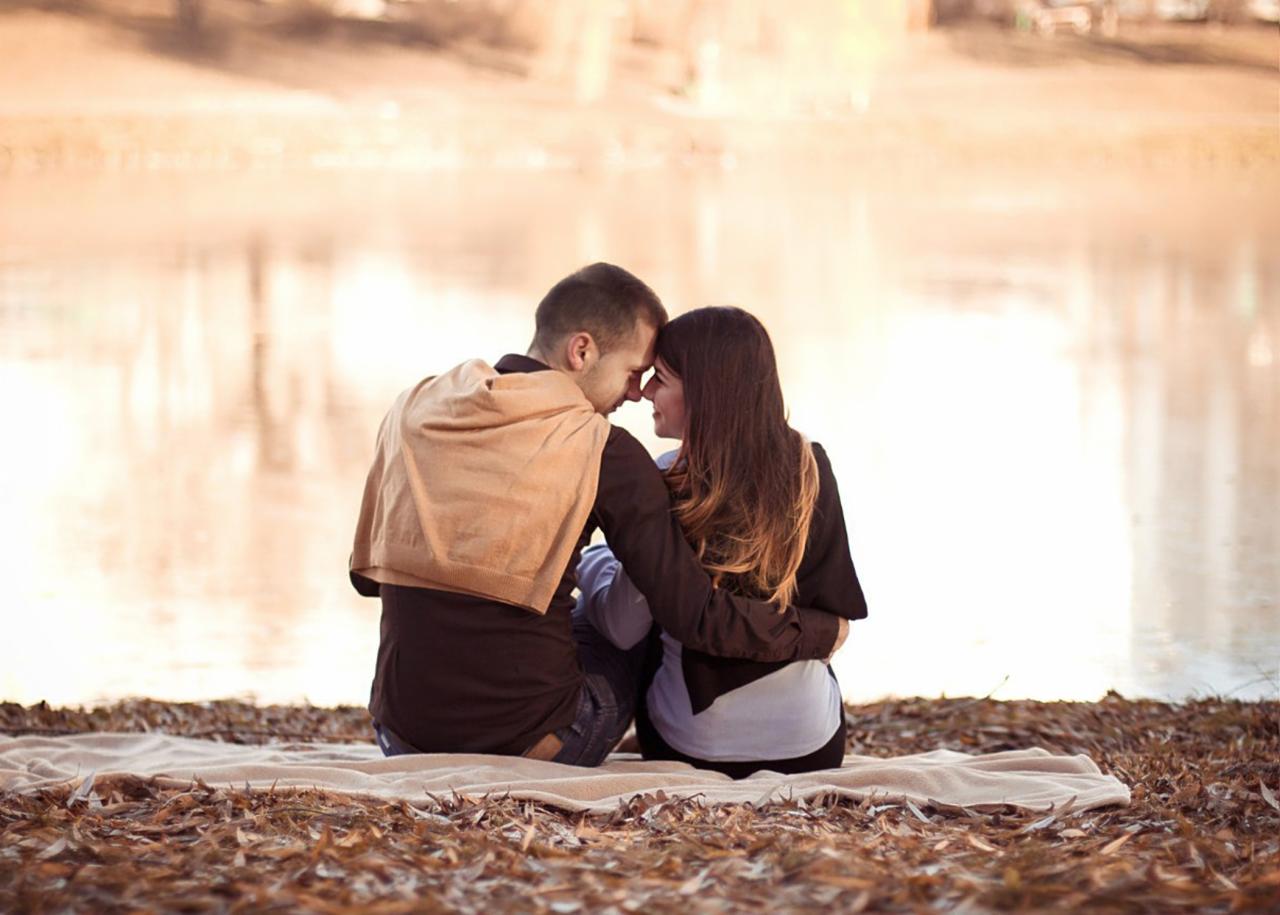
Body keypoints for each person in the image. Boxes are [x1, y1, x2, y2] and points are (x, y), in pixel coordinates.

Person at [349, 264, 848, 766]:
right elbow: (693, 616)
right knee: (622, 610)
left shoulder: (414, 408)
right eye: (634, 373)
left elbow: (371, 583)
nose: (636, 393)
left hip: (399, 734)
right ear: (582, 350)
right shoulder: (603, 448)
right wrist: (824, 631)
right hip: (538, 746)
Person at [577, 306, 867, 778]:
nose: (646, 390)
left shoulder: (664, 481)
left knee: (622, 621)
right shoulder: (810, 468)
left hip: (691, 748)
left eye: (661, 380)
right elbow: (831, 623)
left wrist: (596, 559)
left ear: (705, 395)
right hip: (810, 748)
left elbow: (622, 627)